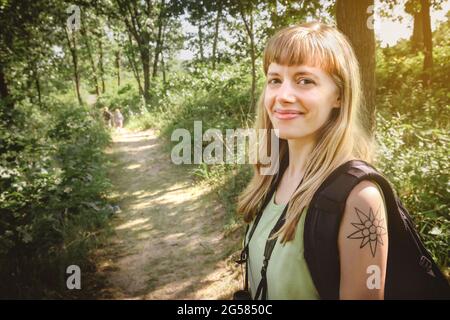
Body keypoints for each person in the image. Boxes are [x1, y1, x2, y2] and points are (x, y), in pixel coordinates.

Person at [237, 21, 388, 300]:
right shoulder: (270, 175)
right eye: (275, 80)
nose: (283, 96)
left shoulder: (359, 198)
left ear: (339, 96)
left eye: (305, 80)